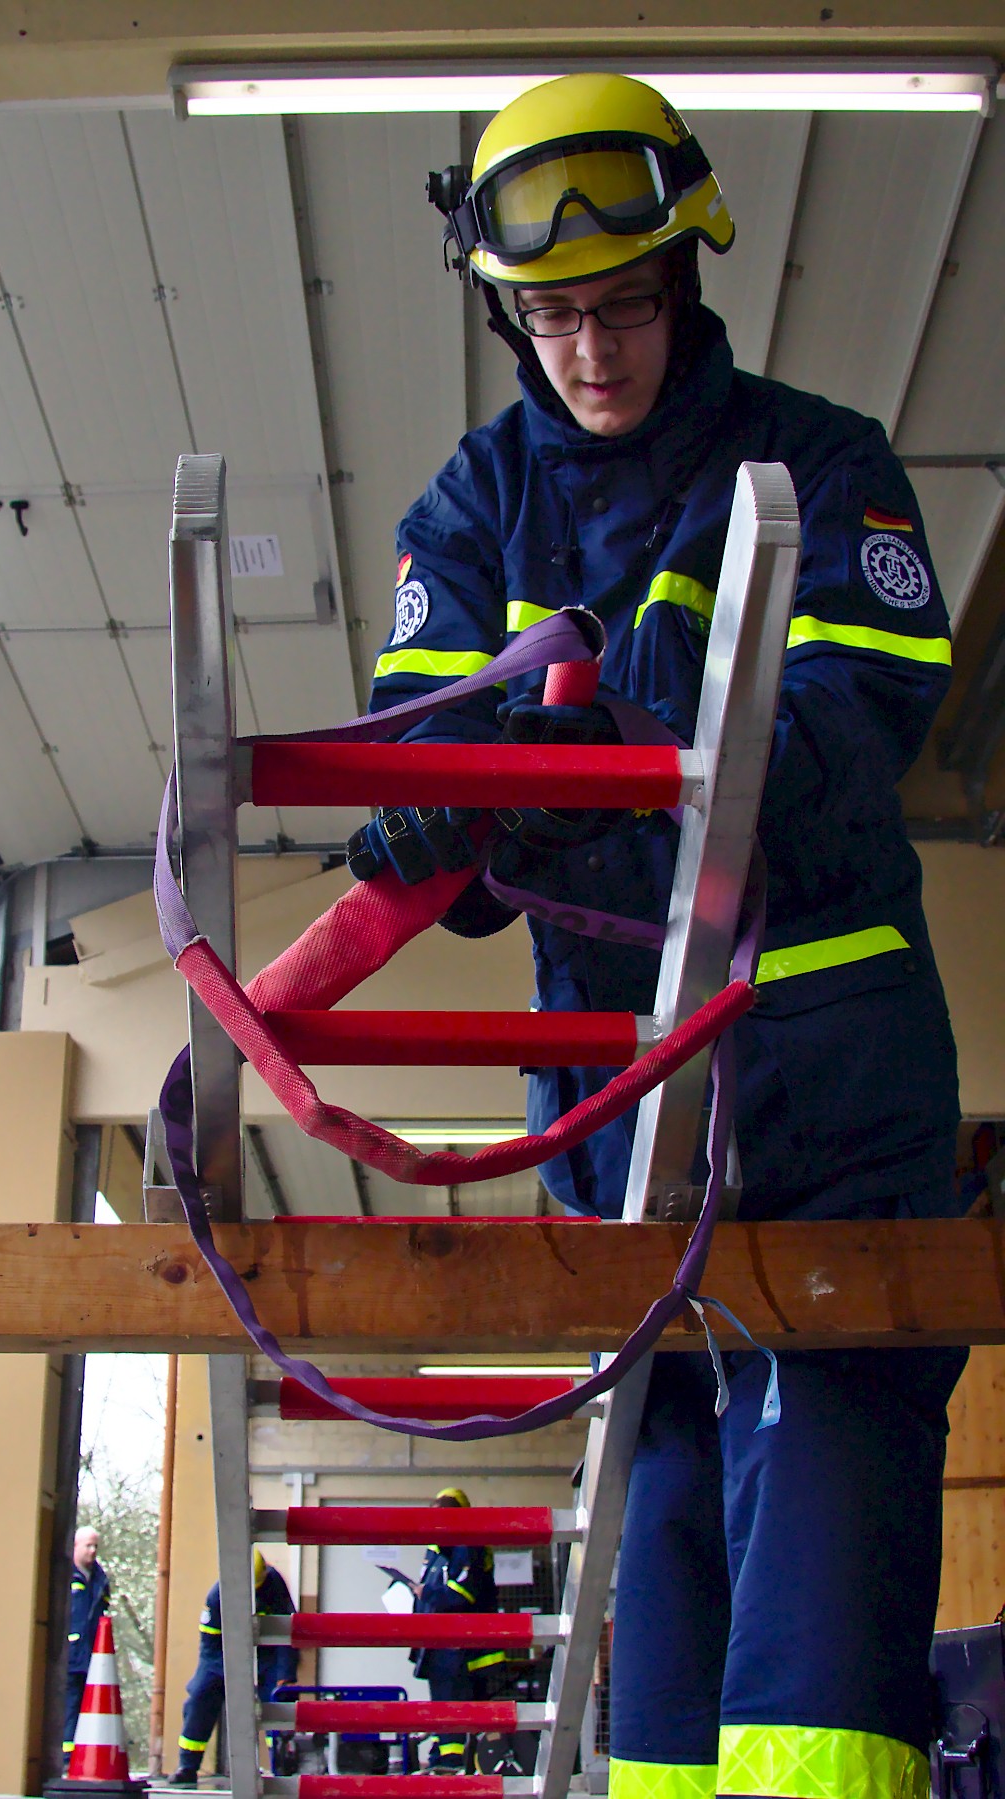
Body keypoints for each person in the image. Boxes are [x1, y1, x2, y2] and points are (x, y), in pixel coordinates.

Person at [348, 72, 968, 1799]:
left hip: (834, 1115)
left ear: (688, 276)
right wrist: (441, 813)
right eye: (549, 314)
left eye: (620, 304)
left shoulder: (826, 468)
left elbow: (846, 752)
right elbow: (436, 788)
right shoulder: (469, 515)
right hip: (623, 1138)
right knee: (667, 1547)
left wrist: (600, 762)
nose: (590, 350)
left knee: (825, 1603)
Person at [167, 1549, 298, 1785]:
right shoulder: (217, 1596)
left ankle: (282, 1765)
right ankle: (187, 1767)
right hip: (222, 1660)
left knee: (279, 1701)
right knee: (200, 1697)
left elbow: (288, 1636)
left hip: (267, 1659)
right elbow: (210, 1648)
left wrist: (284, 1675)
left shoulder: (274, 1584)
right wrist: (234, 1677)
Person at [407, 1488, 502, 1773]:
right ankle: (444, 1761)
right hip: (440, 1648)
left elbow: (460, 1593)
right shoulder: (438, 1549)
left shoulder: (469, 1543)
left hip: (459, 1649)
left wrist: (427, 1593)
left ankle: (453, 1768)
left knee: (455, 1707)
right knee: (444, 1710)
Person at [64, 1525, 110, 1757]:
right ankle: (66, 1756)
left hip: (91, 1656)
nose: (92, 1551)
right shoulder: (66, 1577)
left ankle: (78, 1756)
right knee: (70, 1705)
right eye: (88, 1546)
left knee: (86, 1706)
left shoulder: (100, 1581)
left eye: (95, 1546)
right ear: (75, 1546)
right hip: (72, 1657)